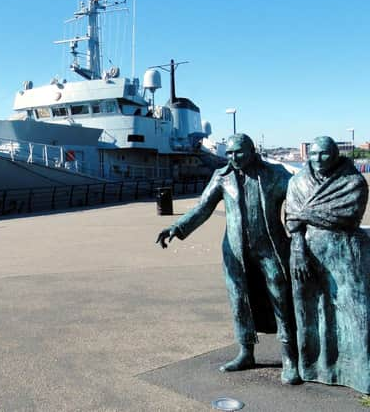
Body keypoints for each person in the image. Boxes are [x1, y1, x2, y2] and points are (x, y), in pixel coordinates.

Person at [156, 133, 300, 384]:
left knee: (281, 299)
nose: (233, 157)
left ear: (252, 151)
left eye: (239, 152)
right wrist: (177, 228)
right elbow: (203, 208)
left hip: (271, 248)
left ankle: (290, 358)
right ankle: (246, 353)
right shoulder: (222, 177)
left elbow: (300, 199)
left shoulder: (275, 174)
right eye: (230, 153)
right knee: (239, 301)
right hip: (235, 251)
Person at [285, 136, 370, 394]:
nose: (318, 159)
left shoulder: (353, 181)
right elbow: (291, 219)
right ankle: (313, 367)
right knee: (309, 311)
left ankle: (360, 371)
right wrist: (298, 247)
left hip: (344, 253)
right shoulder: (297, 182)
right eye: (313, 154)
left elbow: (348, 214)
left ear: (335, 155)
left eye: (324, 154)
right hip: (304, 253)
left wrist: (304, 214)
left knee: (355, 312)